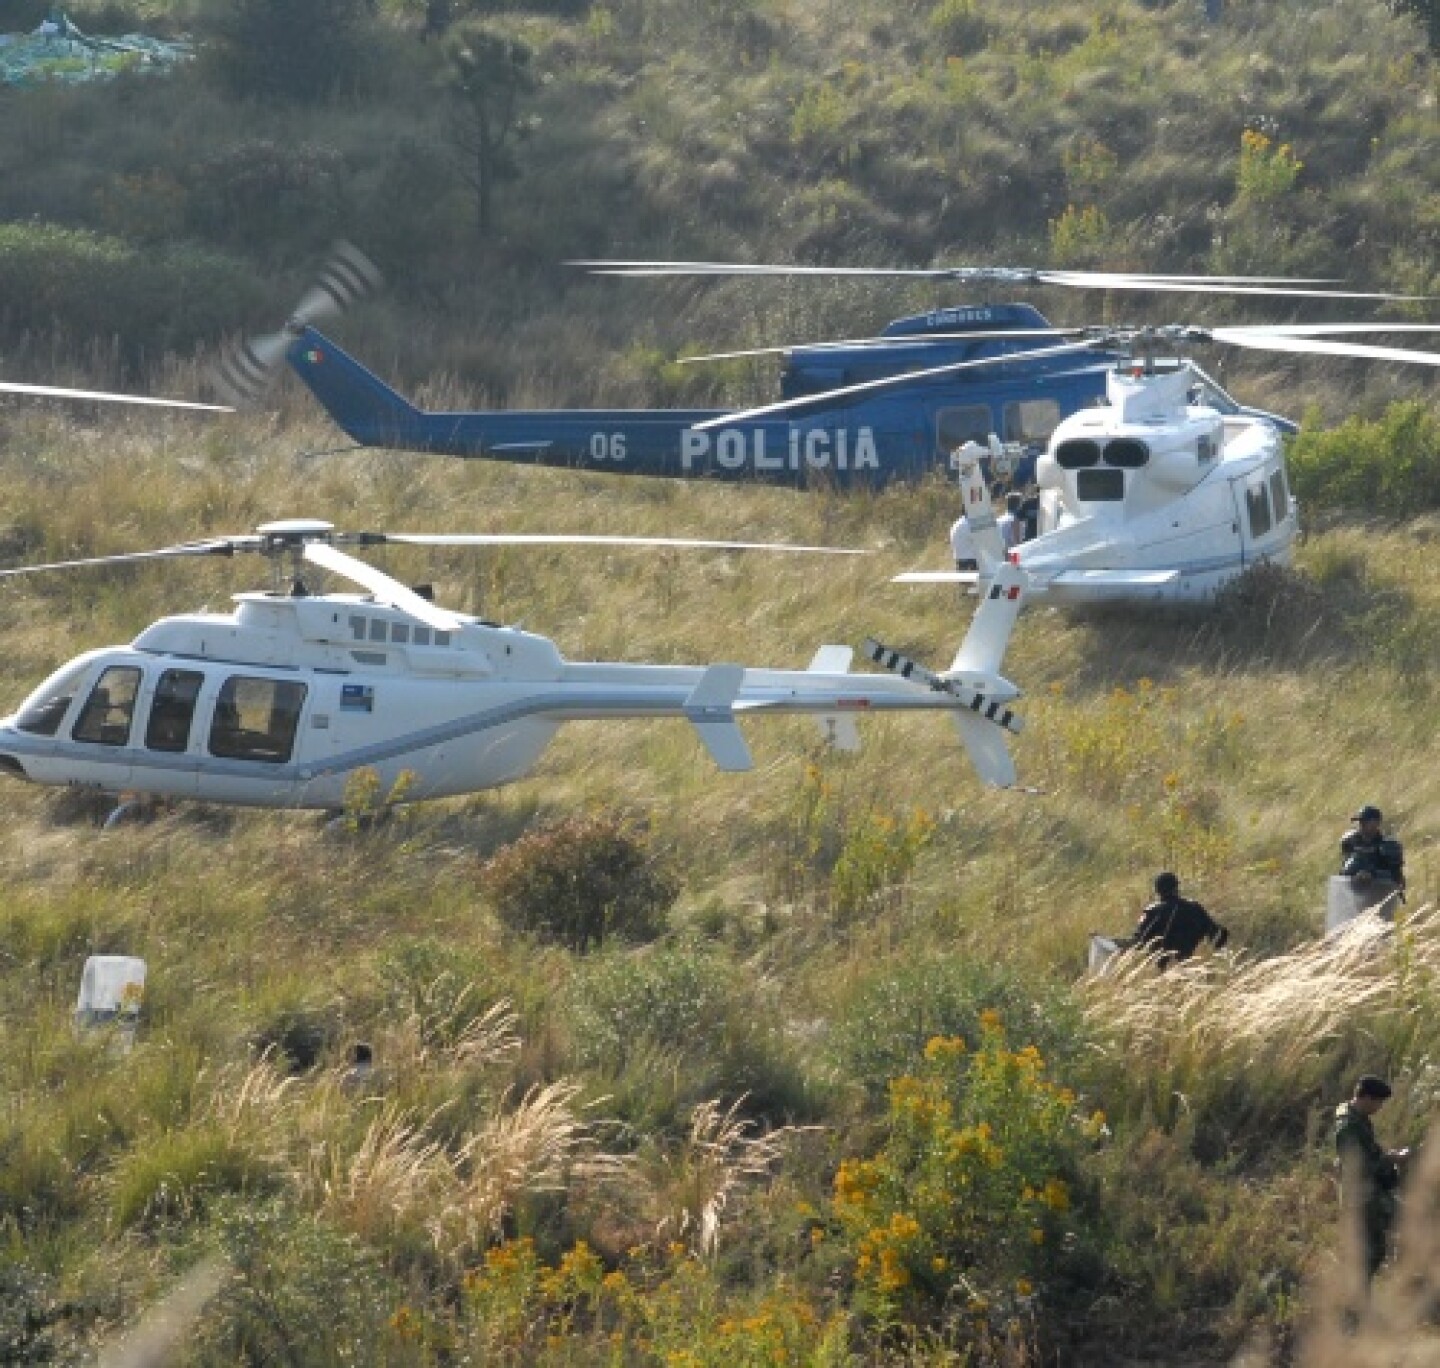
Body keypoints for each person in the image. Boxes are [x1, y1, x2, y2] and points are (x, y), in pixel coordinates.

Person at [1334, 1075, 1408, 1284]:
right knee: (1370, 1251)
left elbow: (1367, 1155)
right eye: (1378, 1102)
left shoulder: (1356, 1119)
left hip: (1371, 1192)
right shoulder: (1348, 1127)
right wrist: (1392, 1159)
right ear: (1365, 1097)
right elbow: (1358, 1167)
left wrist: (1387, 1156)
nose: (1380, 1107)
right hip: (1362, 1197)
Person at [1134, 872, 1229, 968]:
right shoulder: (1194, 908)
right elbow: (1218, 933)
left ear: (1157, 890)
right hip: (1190, 965)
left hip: (1160, 969)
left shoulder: (1151, 911)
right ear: (1176, 887)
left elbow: (1138, 941)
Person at [1341, 806, 1405, 890]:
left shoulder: (1388, 845)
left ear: (1377, 823)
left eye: (1365, 822)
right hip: (1353, 894)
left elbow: (1397, 878)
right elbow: (1343, 871)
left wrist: (1373, 875)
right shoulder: (1350, 841)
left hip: (1380, 894)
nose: (1361, 825)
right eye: (1360, 822)